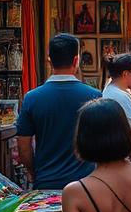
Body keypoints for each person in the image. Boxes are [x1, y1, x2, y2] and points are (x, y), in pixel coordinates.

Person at [17, 33, 101, 189]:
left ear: (49, 60)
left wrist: (32, 171)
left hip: (46, 182)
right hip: (85, 184)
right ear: (76, 60)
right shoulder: (94, 96)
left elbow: (23, 146)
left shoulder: (32, 98)